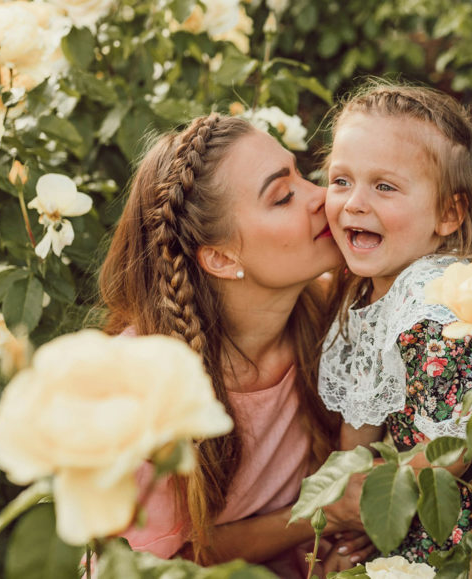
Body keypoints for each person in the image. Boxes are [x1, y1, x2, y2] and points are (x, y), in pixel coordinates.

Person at [99, 113, 372, 576]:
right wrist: (324, 511)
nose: (322, 198)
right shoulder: (142, 384)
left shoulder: (338, 308)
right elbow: (155, 565)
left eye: (302, 175)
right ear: (223, 259)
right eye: (283, 197)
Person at [318, 82, 472, 562]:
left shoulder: (440, 302)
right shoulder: (367, 293)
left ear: (449, 213)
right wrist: (348, 499)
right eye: (341, 180)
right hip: (415, 494)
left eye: (384, 187)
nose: (354, 203)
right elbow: (359, 429)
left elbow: (456, 449)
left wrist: (376, 507)